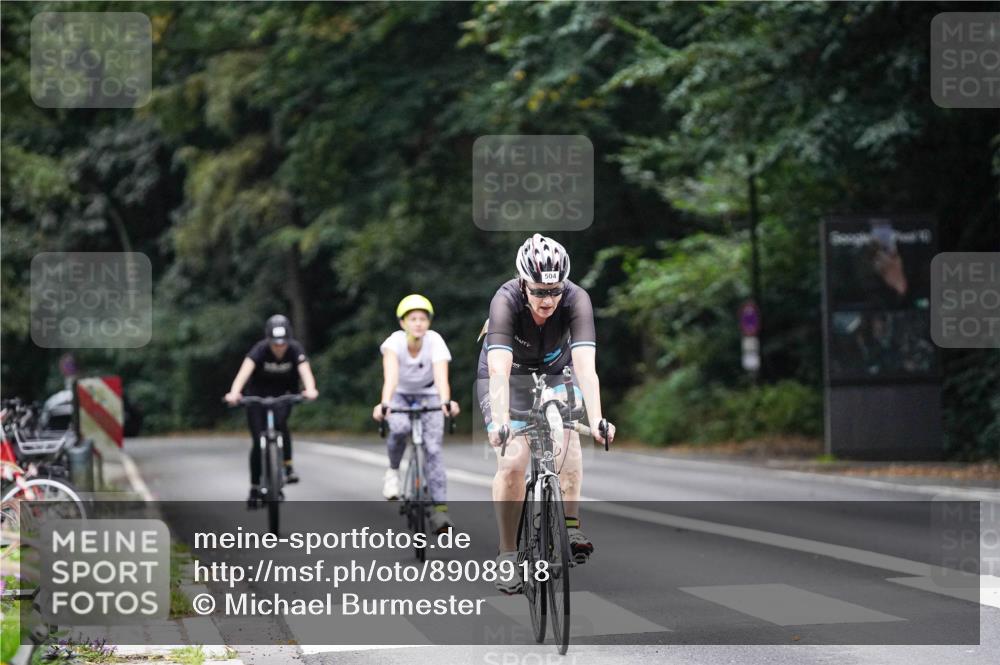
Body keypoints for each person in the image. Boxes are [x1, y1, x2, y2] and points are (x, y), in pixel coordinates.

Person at [478, 234, 615, 593]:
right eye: (539, 291)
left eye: (554, 291)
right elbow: (498, 371)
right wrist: (501, 422)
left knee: (566, 434)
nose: (548, 300)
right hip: (509, 376)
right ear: (523, 283)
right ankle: (507, 554)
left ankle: (570, 525)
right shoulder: (505, 300)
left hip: (557, 371)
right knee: (512, 462)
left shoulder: (576, 299)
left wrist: (598, 420)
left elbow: (586, 369)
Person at [372, 294, 460, 534]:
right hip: (400, 395)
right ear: (403, 323)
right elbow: (391, 377)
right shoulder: (394, 343)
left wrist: (445, 401)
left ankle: (440, 511)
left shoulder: (435, 341)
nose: (418, 323)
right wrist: (385, 403)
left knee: (433, 450)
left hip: (429, 395)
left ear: (428, 322)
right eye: (413, 319)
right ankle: (393, 473)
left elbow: (441, 377)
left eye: (423, 318)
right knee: (399, 428)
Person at [224, 315, 318, 507]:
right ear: (269, 340)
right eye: (275, 343)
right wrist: (234, 393)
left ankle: (287, 466)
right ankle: (254, 487)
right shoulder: (259, 350)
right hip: (257, 397)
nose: (279, 347)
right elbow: (244, 372)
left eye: (283, 343)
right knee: (258, 440)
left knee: (281, 424)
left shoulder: (295, 349)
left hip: (283, 396)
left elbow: (305, 371)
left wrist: (310, 389)